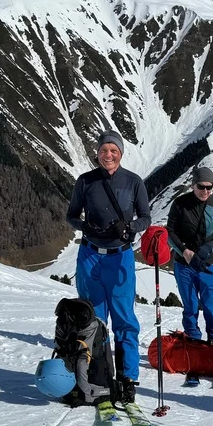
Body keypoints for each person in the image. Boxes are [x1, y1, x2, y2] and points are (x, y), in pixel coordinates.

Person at [65, 130, 151, 407]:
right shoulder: (85, 181)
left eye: (114, 150)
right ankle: (97, 377)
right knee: (93, 320)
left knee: (124, 319)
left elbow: (146, 217)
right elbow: (71, 215)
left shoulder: (133, 182)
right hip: (90, 256)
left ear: (121, 153)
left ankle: (127, 379)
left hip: (120, 257)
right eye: (104, 150)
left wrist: (130, 227)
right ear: (98, 153)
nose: (108, 155)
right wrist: (84, 226)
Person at [166, 167, 213, 379]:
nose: (205, 191)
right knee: (191, 306)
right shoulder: (180, 203)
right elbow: (170, 232)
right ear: (193, 185)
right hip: (184, 264)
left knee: (210, 306)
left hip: (207, 264)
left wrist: (208, 248)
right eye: (201, 187)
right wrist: (184, 251)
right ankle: (193, 344)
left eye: (209, 187)